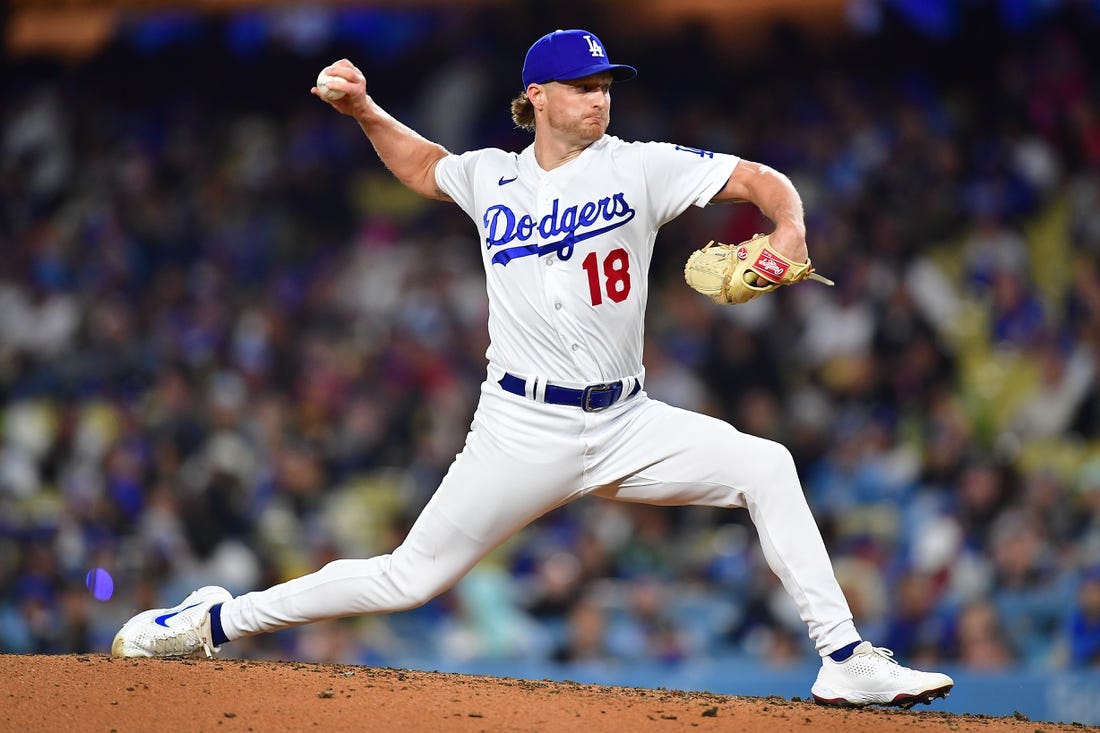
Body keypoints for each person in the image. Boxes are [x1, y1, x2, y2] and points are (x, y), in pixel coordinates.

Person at [112, 28, 954, 708]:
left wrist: (790, 231)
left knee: (766, 464)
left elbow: (759, 180)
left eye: (606, 85)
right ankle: (214, 620)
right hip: (520, 426)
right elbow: (423, 166)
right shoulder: (492, 177)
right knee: (407, 578)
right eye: (585, 86)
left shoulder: (639, 166)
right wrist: (367, 109)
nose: (600, 98)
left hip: (627, 421)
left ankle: (844, 658)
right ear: (538, 98)